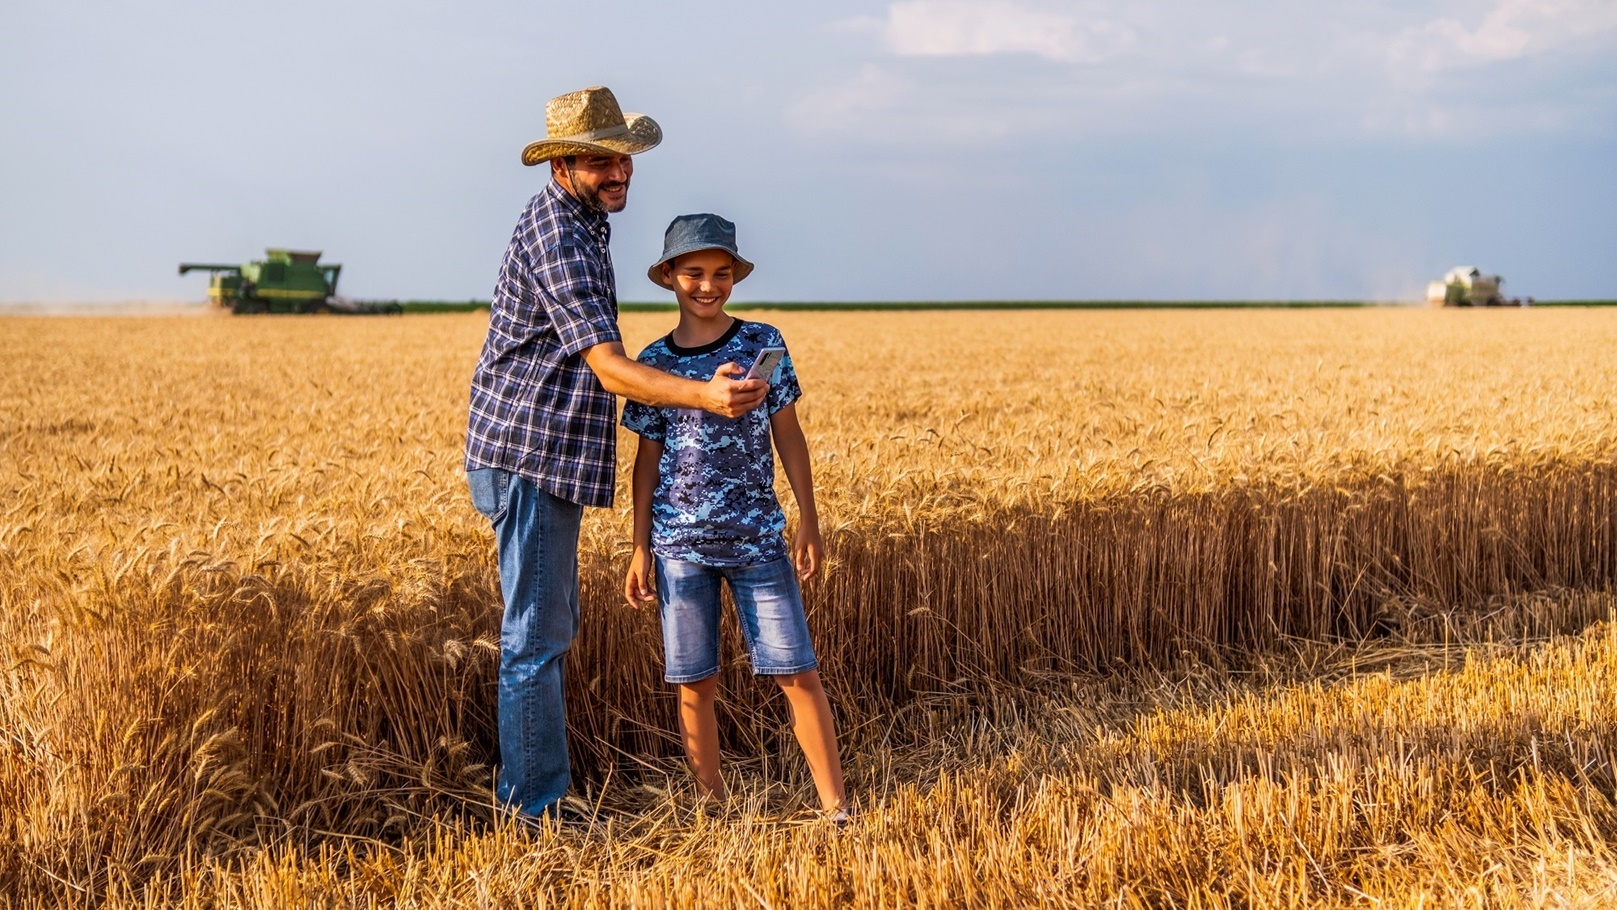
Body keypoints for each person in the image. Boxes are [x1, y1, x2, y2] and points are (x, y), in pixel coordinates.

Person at [464, 87, 769, 820]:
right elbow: (606, 367)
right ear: (563, 162)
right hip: (530, 455)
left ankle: (534, 798)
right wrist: (704, 397)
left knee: (546, 630)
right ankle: (533, 812)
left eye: (623, 157)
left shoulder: (579, 219)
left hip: (542, 455)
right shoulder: (563, 236)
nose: (618, 172)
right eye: (601, 160)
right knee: (536, 639)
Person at [621, 213, 850, 821]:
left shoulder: (763, 344)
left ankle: (837, 808)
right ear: (669, 276)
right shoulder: (651, 362)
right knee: (694, 682)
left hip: (759, 541)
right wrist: (640, 546)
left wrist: (810, 518)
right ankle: (713, 810)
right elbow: (645, 463)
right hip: (679, 546)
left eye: (721, 274)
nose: (708, 285)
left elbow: (789, 435)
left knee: (797, 671)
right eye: (693, 272)